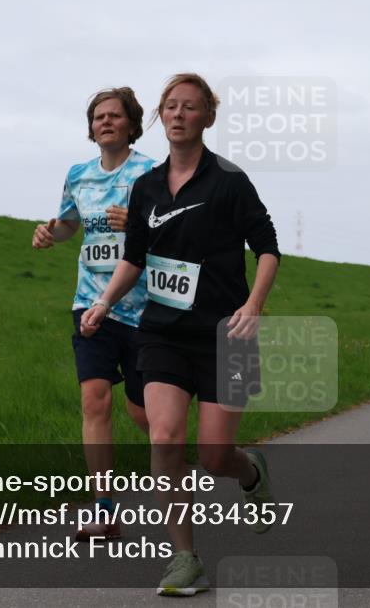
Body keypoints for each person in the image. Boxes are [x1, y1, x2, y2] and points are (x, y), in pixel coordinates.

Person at [81, 73, 280, 596]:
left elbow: (267, 246)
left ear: (207, 117)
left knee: (215, 457)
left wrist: (253, 304)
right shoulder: (145, 187)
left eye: (190, 107)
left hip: (226, 335)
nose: (177, 114)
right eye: (169, 106)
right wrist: (104, 302)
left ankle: (250, 472)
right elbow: (134, 259)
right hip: (162, 333)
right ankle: (184, 558)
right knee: (165, 437)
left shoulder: (230, 180)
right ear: (160, 117)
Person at [32, 87, 155, 540]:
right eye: (98, 117)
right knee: (94, 400)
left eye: (114, 116)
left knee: (144, 413)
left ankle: (178, 468)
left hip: (144, 309)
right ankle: (103, 510)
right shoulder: (78, 175)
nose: (105, 122)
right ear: (91, 127)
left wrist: (140, 222)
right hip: (90, 304)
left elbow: (175, 227)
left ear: (130, 124)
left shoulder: (150, 172)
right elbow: (69, 222)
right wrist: (50, 232)